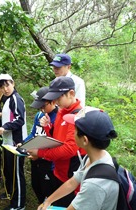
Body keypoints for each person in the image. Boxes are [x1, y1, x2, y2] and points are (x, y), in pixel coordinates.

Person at [38, 106, 119, 210]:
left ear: (85, 140)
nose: (72, 133)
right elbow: (73, 182)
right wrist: (48, 201)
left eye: (74, 130)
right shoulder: (94, 157)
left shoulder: (95, 184)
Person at [28, 76, 86, 207]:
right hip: (58, 172)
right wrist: (49, 127)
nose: (55, 101)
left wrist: (41, 153)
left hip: (70, 177)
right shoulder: (62, 111)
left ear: (71, 93)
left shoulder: (76, 116)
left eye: (58, 97)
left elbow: (70, 149)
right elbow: (57, 138)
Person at [0, 74, 27, 210]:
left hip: (17, 143)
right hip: (8, 142)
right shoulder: (7, 99)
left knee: (16, 174)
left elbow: (20, 120)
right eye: (2, 86)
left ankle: (19, 204)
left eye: (7, 85)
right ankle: (11, 193)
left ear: (13, 83)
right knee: (8, 171)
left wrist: (5, 127)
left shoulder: (16, 98)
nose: (5, 88)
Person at [23, 87, 58, 204]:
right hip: (35, 158)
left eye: (43, 106)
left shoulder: (57, 118)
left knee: (47, 189)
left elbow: (55, 143)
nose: (41, 110)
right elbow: (34, 133)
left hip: (48, 161)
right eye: (39, 107)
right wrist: (24, 144)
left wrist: (40, 155)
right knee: (36, 185)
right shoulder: (39, 115)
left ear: (53, 101)